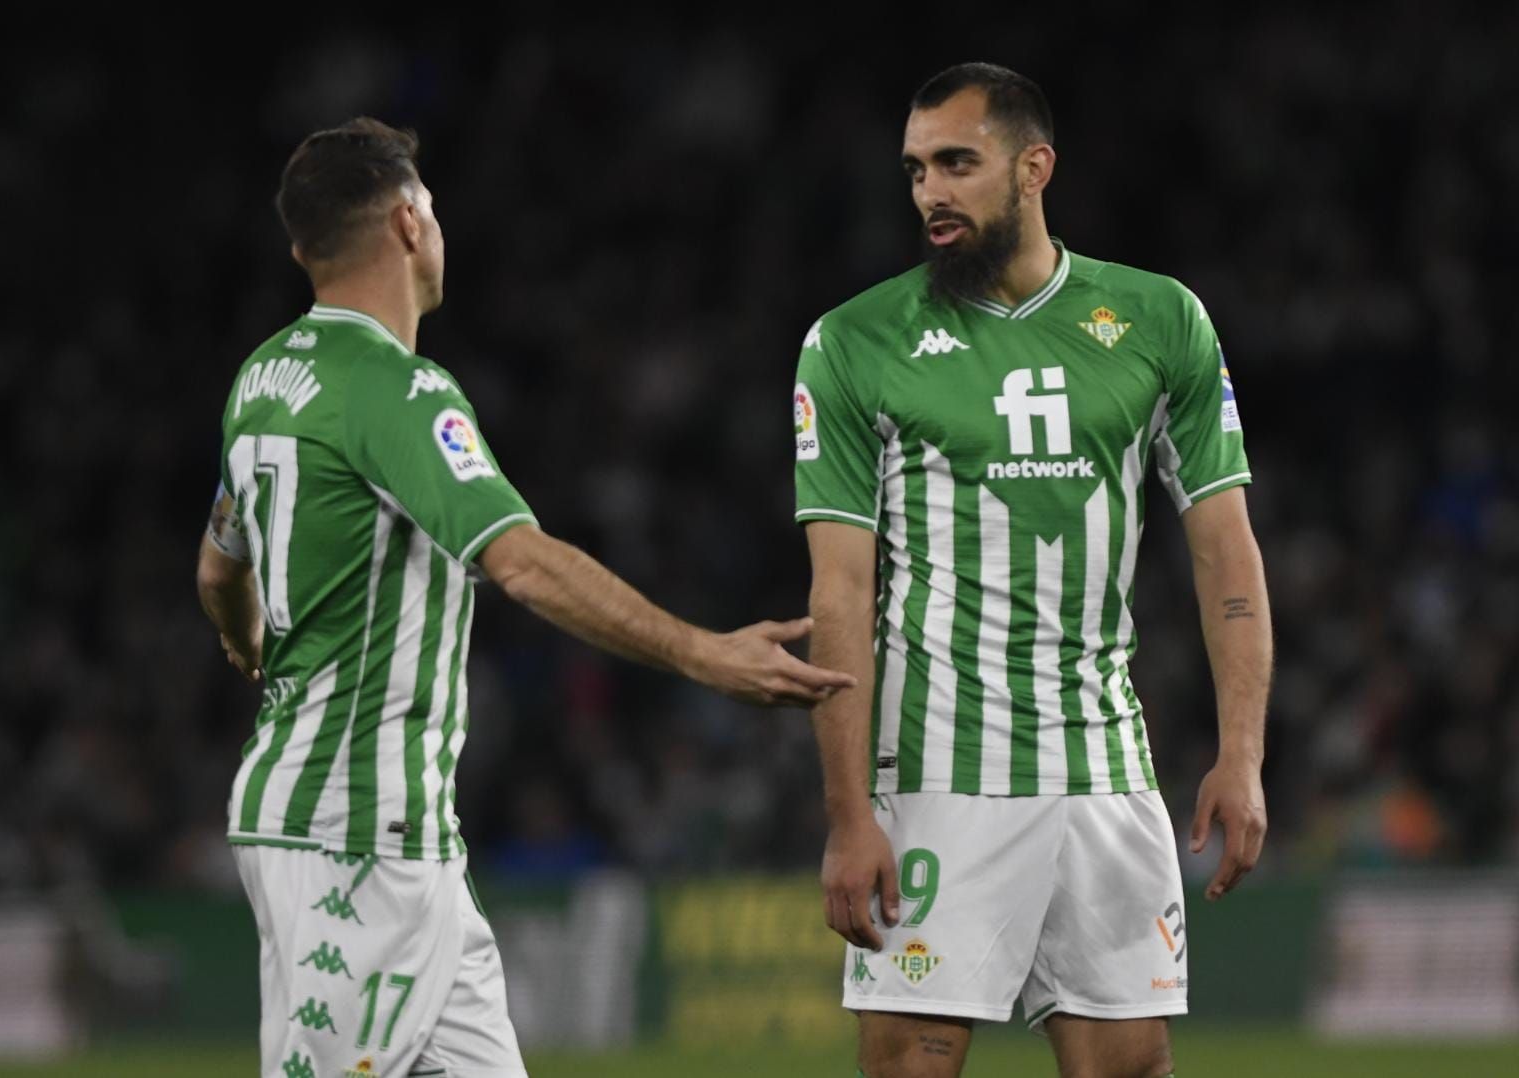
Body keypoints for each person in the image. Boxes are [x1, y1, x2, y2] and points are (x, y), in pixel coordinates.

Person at [195, 117, 855, 1078]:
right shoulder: (398, 391)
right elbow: (522, 563)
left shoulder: (261, 380)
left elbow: (219, 569)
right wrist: (701, 652)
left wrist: (246, 637)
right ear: (411, 224)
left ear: (304, 249)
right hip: (350, 835)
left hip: (387, 830)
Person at [794, 63, 1271, 1078]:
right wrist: (847, 815)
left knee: (1130, 1065)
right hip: (935, 769)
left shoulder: (1159, 320)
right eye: (917, 169)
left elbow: (1225, 551)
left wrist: (1242, 753)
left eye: (957, 164)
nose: (930, 191)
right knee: (910, 1066)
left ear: (1032, 168)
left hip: (1102, 768)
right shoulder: (854, 342)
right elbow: (837, 593)